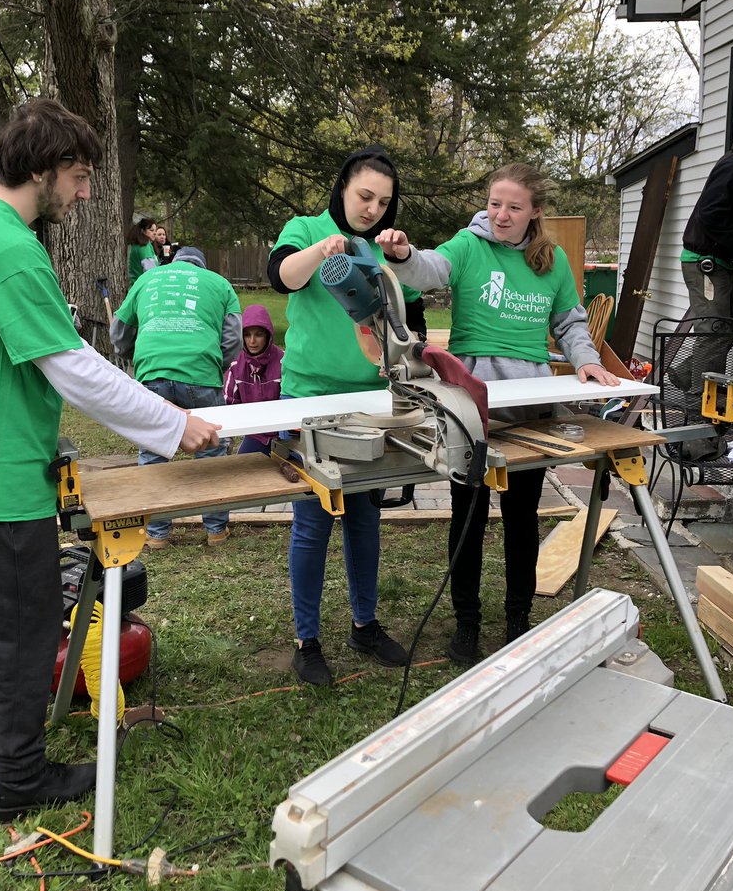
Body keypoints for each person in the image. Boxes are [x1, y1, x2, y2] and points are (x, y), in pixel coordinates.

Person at [0, 99, 221, 822]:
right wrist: (174, 425)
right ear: (40, 168)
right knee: (21, 629)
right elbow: (72, 367)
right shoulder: (7, 245)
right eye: (77, 176)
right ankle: (17, 780)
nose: (82, 193)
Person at [377, 162, 618, 668]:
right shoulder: (468, 246)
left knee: (521, 517)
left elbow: (571, 321)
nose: (501, 214)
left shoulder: (549, 260)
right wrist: (401, 253)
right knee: (467, 516)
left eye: (513, 206)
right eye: (494, 203)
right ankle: (466, 624)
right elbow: (429, 269)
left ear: (535, 212)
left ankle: (517, 619)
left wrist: (588, 361)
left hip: (529, 404)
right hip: (472, 403)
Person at [268, 146, 421, 686]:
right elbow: (282, 276)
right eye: (364, 196)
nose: (373, 208)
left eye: (383, 201)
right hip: (310, 398)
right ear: (342, 188)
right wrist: (319, 249)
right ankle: (306, 640)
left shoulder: (380, 249)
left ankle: (364, 624)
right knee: (312, 519)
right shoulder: (305, 227)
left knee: (364, 518)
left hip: (368, 400)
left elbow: (410, 312)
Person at [111, 246, 242, 548]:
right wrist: (213, 365)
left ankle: (157, 535)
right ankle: (216, 531)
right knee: (211, 452)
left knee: (154, 454)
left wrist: (138, 356)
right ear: (202, 265)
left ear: (174, 261)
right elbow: (234, 337)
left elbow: (119, 334)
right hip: (201, 376)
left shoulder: (146, 280)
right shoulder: (220, 284)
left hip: (152, 376)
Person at [669, 120, 733, 394]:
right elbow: (710, 214)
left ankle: (687, 374)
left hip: (720, 262)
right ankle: (702, 408)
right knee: (714, 331)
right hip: (704, 263)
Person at [223, 303, 284, 454]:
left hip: (285, 435)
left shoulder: (285, 362)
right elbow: (228, 407)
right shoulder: (235, 367)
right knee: (241, 468)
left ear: (268, 335)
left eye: (258, 335)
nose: (252, 341)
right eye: (247, 335)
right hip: (256, 436)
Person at [126, 217, 157, 283]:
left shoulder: (137, 245)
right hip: (143, 287)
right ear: (143, 231)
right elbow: (151, 272)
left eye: (155, 230)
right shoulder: (143, 247)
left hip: (135, 285)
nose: (154, 233)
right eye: (151, 230)